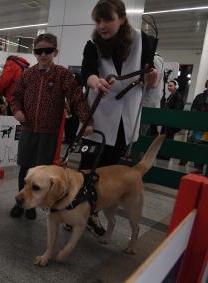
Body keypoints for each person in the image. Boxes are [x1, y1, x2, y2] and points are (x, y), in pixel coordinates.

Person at [80, 0, 158, 236]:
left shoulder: (144, 42)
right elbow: (88, 71)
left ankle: (96, 210)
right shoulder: (93, 44)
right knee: (87, 170)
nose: (102, 25)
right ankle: (82, 211)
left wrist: (152, 78)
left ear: (122, 19)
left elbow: (150, 74)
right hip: (98, 117)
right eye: (98, 20)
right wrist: (95, 81)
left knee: (111, 173)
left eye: (108, 19)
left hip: (126, 119)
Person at [9, 33, 91, 220]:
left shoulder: (62, 74)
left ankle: (31, 206)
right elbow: (15, 97)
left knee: (41, 173)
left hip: (49, 134)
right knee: (25, 170)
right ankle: (20, 204)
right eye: (39, 51)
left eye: (47, 51)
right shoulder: (27, 75)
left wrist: (86, 121)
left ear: (55, 52)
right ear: (34, 53)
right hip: (28, 130)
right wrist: (17, 111)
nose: (43, 55)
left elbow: (76, 98)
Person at [189, 80, 208, 173]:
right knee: (198, 144)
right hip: (199, 126)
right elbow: (193, 109)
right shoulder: (200, 97)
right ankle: (198, 167)